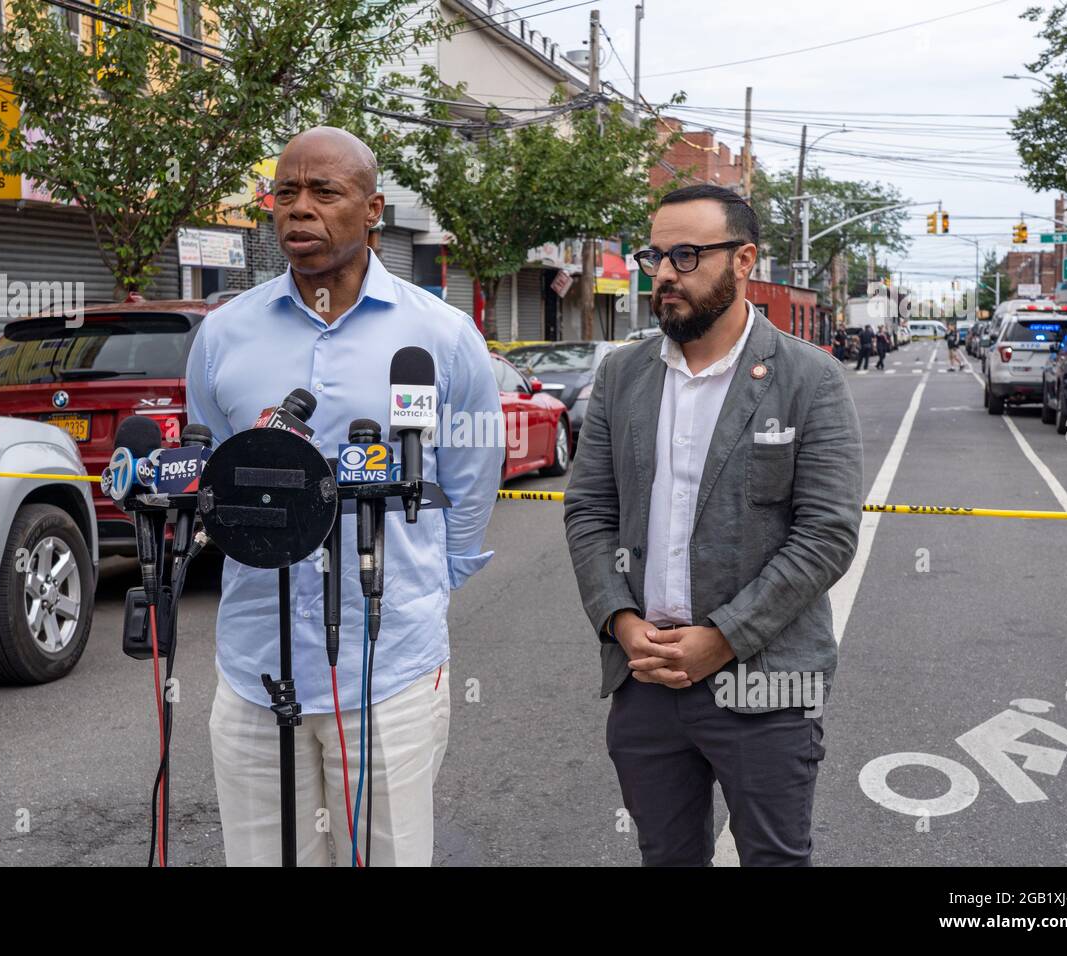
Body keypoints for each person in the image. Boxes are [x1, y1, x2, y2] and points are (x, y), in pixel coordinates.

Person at [186, 126, 503, 866]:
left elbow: (469, 480)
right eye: (285, 192)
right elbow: (213, 468)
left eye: (324, 192)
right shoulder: (223, 334)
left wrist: (423, 590)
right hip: (254, 661)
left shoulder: (442, 337)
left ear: (373, 211)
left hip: (388, 664)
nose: (299, 208)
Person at [563, 183, 864, 866]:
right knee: (665, 856)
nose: (665, 274)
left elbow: (826, 534)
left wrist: (723, 638)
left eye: (688, 256)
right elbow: (589, 511)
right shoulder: (622, 377)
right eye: (656, 256)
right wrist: (621, 620)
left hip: (765, 683)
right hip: (644, 681)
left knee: (774, 857)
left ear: (743, 260)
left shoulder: (810, 379)